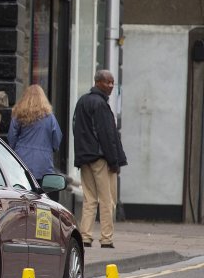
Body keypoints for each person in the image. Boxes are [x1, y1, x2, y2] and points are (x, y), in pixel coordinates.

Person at [72, 69, 127, 249]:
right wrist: (114, 162)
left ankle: (85, 236)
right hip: (101, 158)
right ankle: (106, 238)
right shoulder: (101, 105)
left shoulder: (82, 102)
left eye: (112, 82)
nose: (111, 86)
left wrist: (79, 156)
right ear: (98, 82)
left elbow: (76, 130)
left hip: (84, 157)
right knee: (107, 199)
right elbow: (107, 135)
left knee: (89, 199)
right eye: (107, 82)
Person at [7, 84, 62, 180]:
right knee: (41, 192)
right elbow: (56, 140)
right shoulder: (50, 117)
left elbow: (11, 137)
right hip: (43, 163)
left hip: (22, 160)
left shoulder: (19, 115)